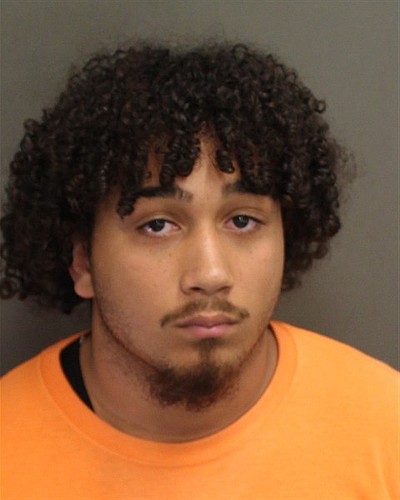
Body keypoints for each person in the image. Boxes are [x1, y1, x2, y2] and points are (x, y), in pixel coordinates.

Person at [0, 42, 398, 499]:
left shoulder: (387, 428)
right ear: (83, 261)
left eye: (242, 221)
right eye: (157, 225)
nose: (210, 274)